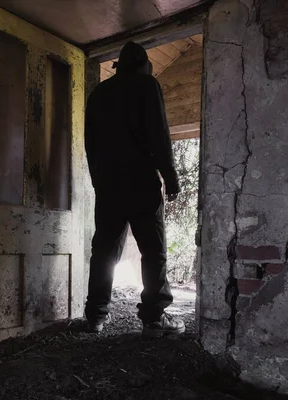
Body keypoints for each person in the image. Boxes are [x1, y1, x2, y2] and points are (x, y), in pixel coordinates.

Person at [84, 41, 185, 337]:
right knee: (153, 252)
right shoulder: (146, 85)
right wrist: (171, 177)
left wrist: (98, 182)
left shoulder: (99, 94)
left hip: (109, 187)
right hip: (141, 182)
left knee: (103, 252)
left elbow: (91, 145)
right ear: (144, 64)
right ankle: (154, 319)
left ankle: (96, 317)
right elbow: (159, 135)